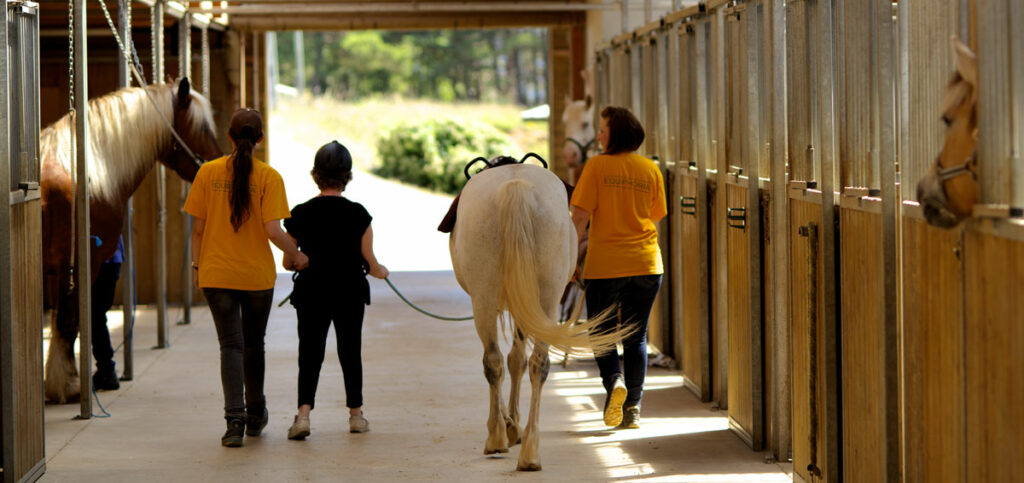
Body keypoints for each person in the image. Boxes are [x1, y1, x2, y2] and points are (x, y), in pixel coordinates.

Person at [184, 108, 309, 447]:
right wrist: (297, 254)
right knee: (254, 345)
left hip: (216, 274)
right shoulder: (269, 176)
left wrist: (197, 268)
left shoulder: (207, 173)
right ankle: (256, 414)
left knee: (230, 346)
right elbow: (273, 230)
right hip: (256, 277)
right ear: (260, 139)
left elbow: (197, 230)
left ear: (229, 137)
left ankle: (234, 423)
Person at [282, 141, 388, 440]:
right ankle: (356, 415)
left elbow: (288, 262)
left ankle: (303, 417)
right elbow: (371, 262)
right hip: (350, 292)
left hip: (312, 293)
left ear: (316, 175)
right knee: (350, 351)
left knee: (310, 353)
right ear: (347, 176)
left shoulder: (300, 213)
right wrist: (381, 271)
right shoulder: (359, 214)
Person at [569, 106, 666, 430]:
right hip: (646, 262)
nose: (598, 136)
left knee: (602, 335)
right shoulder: (650, 169)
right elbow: (655, 215)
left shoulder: (596, 167)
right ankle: (634, 409)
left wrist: (570, 261)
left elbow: (579, 218)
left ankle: (614, 382)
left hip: (606, 265)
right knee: (636, 337)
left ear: (616, 133)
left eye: (602, 130)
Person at [91, 236, 124, 391]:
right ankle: (106, 368)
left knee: (94, 315)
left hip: (96, 258)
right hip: (113, 258)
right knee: (97, 315)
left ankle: (106, 369)